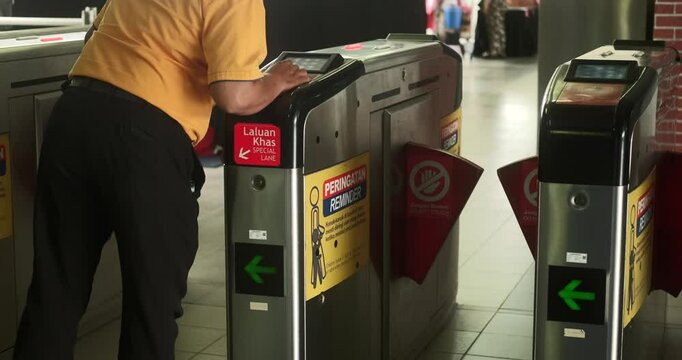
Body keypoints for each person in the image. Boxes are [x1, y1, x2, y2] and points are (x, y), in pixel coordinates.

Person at [12, 0, 309, 359]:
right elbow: (234, 95)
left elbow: (94, 36)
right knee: (151, 307)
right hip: (143, 140)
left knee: (55, 291)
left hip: (73, 118)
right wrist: (275, 81)